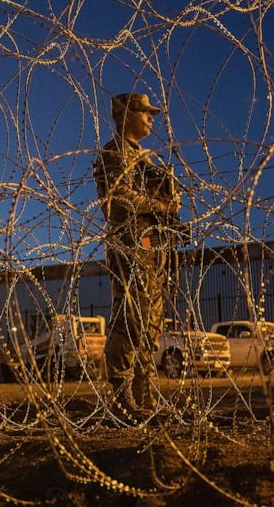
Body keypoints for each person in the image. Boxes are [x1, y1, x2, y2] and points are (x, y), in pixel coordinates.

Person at [93, 93, 182, 422]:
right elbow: (118, 200)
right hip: (130, 245)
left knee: (151, 323)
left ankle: (145, 395)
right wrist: (159, 205)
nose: (151, 118)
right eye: (145, 112)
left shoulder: (143, 158)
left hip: (153, 246)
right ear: (125, 113)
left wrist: (169, 201)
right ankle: (121, 396)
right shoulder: (114, 153)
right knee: (130, 319)